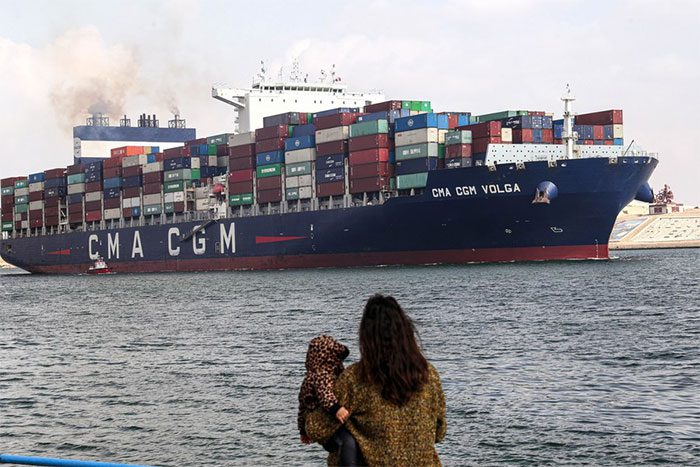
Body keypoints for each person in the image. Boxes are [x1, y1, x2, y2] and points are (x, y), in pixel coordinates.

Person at [305, 294, 447, 466]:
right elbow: (439, 432)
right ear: (405, 331)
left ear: (366, 336)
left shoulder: (355, 379)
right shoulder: (429, 374)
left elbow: (316, 428)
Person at [298, 335, 361, 465]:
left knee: (344, 444)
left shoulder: (314, 374)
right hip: (324, 420)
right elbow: (324, 392)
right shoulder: (322, 373)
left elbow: (302, 406)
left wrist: (302, 430)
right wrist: (336, 408)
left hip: (317, 422)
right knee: (348, 441)